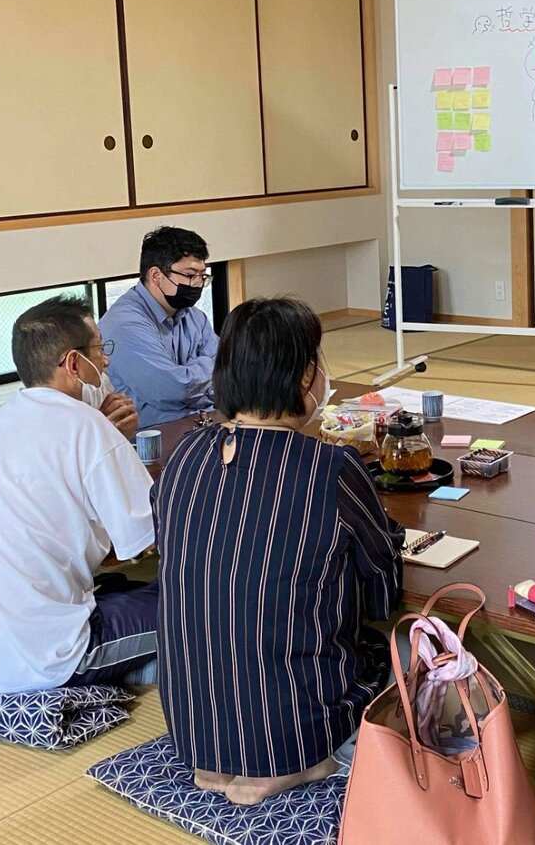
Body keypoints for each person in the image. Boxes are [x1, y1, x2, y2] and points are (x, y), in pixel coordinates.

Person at [155, 297, 404, 805]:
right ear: (307, 374)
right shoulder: (329, 466)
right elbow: (384, 595)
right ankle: (304, 761)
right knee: (390, 656)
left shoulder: (183, 453)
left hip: (190, 724)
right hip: (290, 729)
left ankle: (224, 757)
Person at [0, 296, 157, 694]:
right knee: (201, 602)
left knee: (120, 585)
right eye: (100, 349)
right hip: (42, 657)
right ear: (73, 363)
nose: (105, 362)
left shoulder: (8, 419)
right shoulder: (90, 428)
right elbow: (148, 541)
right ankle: (137, 667)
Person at [100, 226, 218, 428]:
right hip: (154, 434)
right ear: (156, 275)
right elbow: (174, 389)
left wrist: (189, 372)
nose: (198, 284)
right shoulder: (125, 324)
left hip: (203, 420)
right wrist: (205, 364)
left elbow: (227, 367)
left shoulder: (194, 316)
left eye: (202, 276)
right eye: (190, 275)